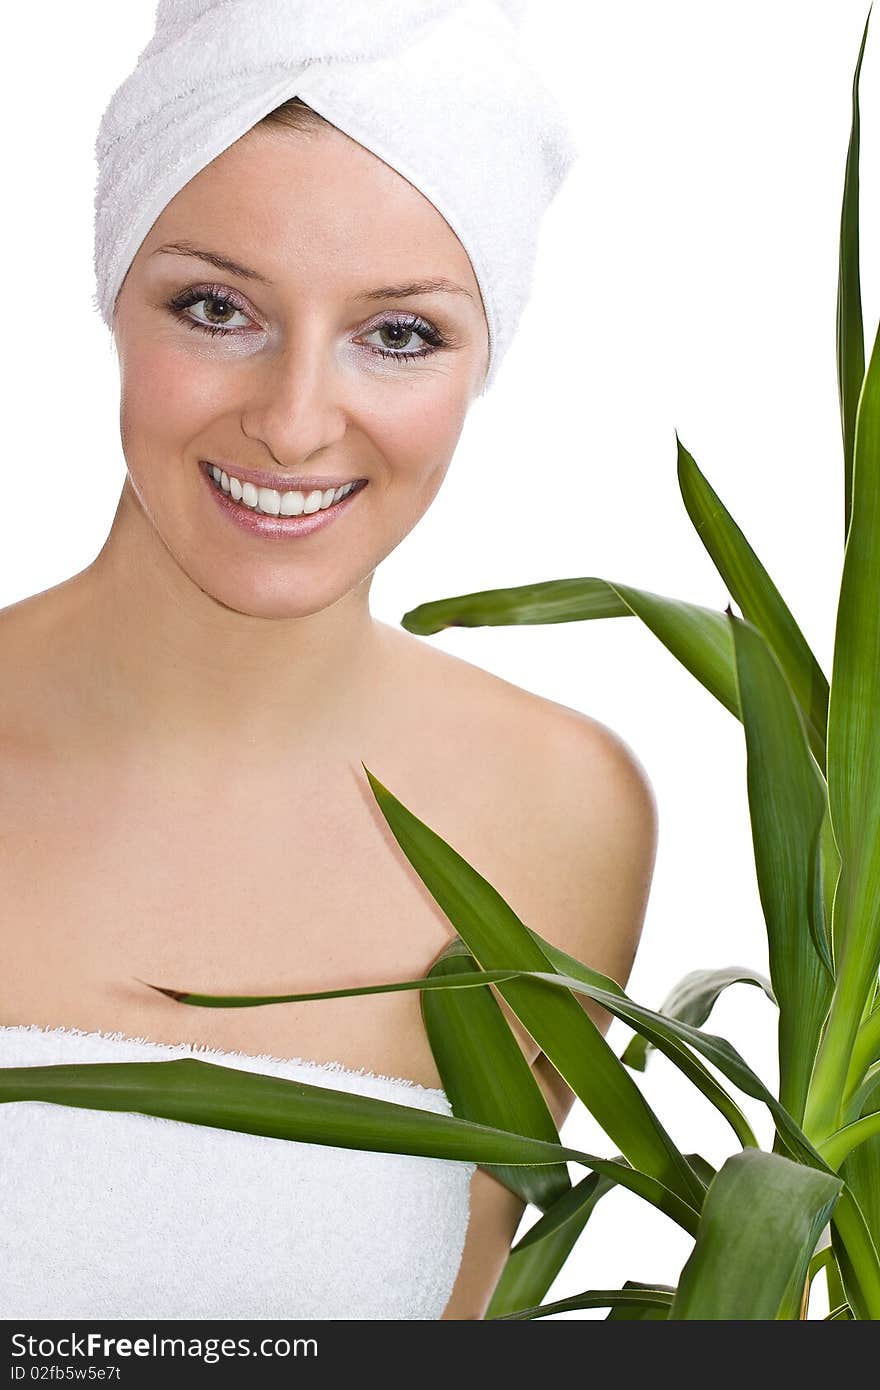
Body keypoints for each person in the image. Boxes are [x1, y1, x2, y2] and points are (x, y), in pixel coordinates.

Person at [0, 2, 658, 1321]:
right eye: (215, 307)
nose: (296, 422)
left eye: (399, 333)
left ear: (483, 357)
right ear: (113, 294)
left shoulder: (565, 811)